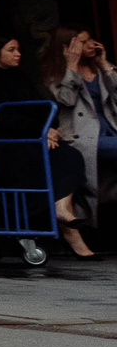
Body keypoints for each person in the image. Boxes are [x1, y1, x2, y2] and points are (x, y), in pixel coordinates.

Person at [0, 34, 90, 259]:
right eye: (11, 50)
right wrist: (38, 131)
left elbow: (46, 107)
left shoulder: (21, 77)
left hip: (34, 140)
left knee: (69, 156)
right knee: (47, 161)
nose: (18, 54)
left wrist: (50, 129)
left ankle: (62, 211)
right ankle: (69, 228)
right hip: (8, 146)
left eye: (18, 49)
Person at [50, 27, 112, 252]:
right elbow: (65, 99)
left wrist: (105, 64)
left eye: (91, 39)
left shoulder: (100, 70)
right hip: (84, 136)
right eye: (83, 42)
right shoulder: (57, 75)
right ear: (68, 48)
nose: (91, 45)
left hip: (110, 132)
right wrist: (72, 66)